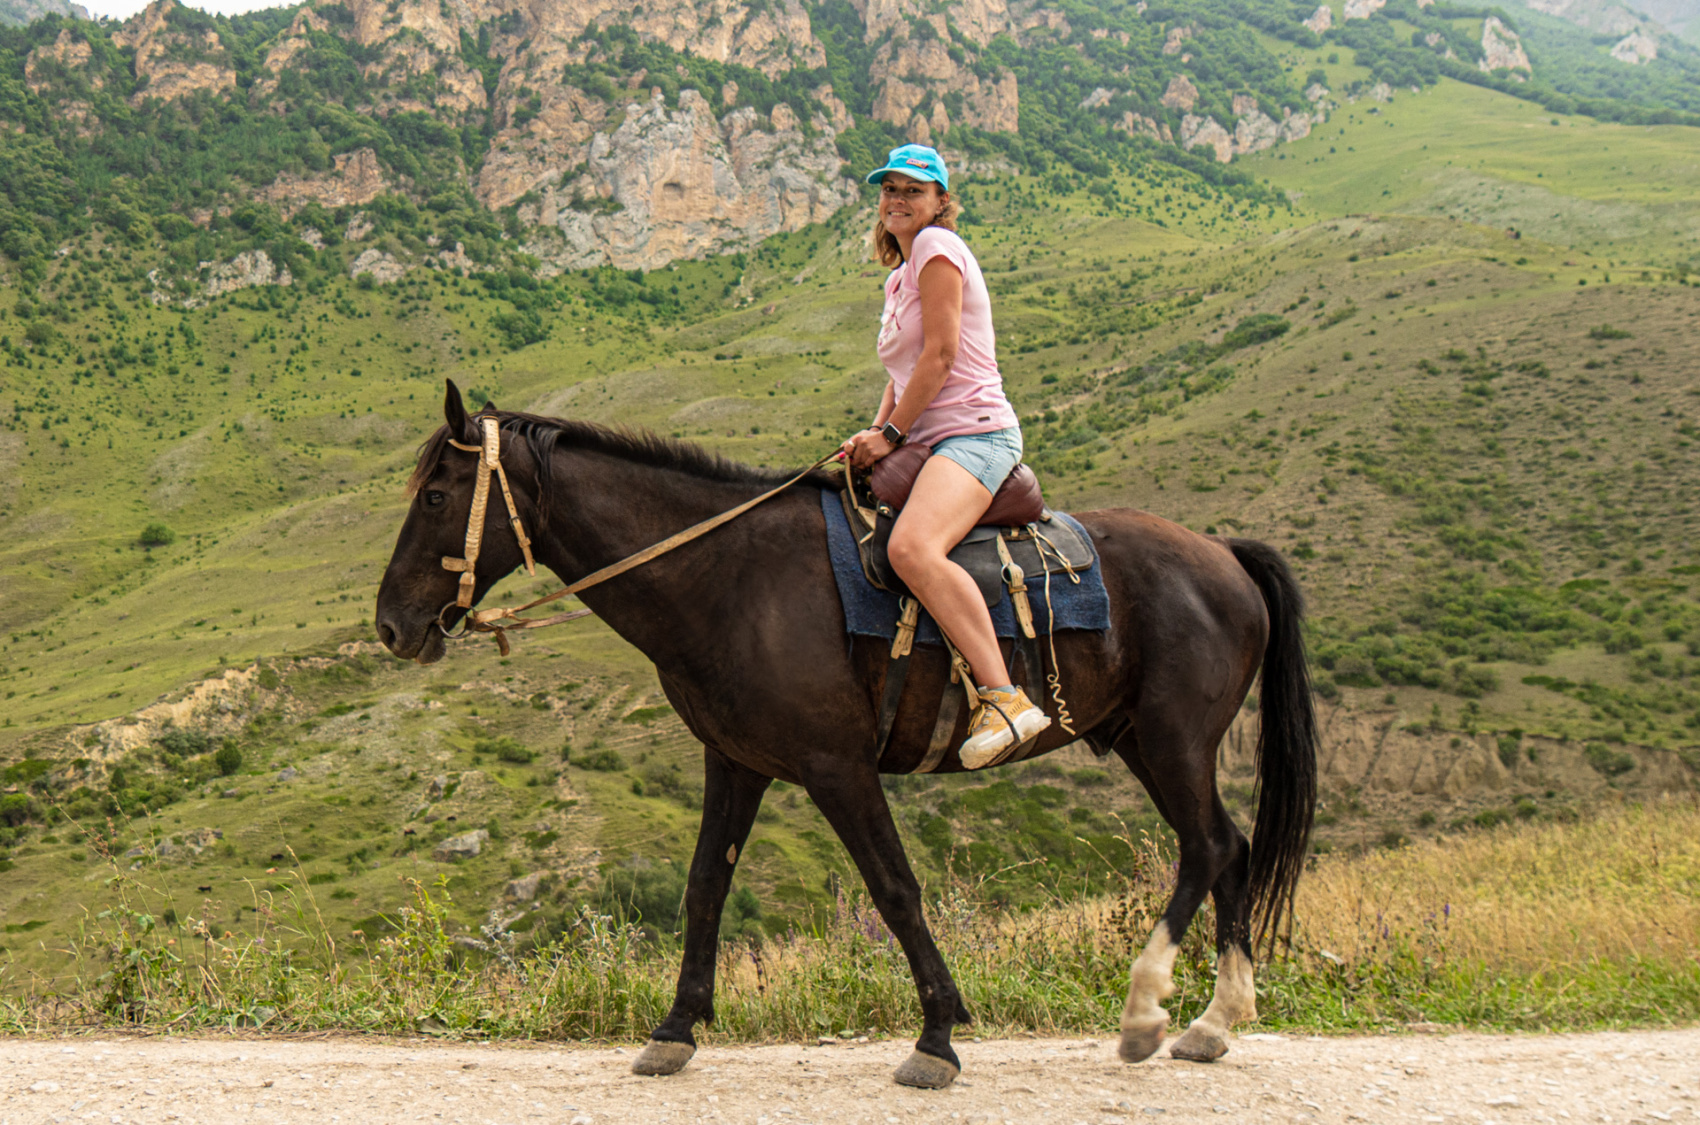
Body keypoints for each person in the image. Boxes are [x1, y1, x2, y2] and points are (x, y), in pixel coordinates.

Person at [840, 144, 1051, 769]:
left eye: (913, 190)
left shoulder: (937, 249)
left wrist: (894, 438)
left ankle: (1004, 697)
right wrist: (873, 432)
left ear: (939, 202)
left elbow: (941, 356)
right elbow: (902, 373)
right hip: (930, 437)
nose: (898, 199)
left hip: (977, 435)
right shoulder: (899, 275)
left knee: (911, 548)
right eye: (890, 190)